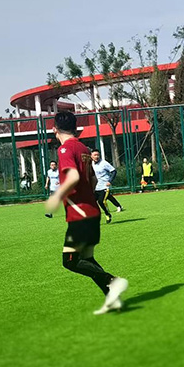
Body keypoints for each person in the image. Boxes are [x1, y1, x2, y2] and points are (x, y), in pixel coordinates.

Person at [45, 111, 128, 315]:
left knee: (70, 261)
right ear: (75, 128)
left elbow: (73, 177)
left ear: (55, 129)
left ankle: (112, 281)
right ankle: (113, 299)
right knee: (87, 259)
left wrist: (57, 197)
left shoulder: (65, 149)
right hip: (91, 210)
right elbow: (92, 179)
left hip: (79, 213)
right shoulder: (83, 148)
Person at [90, 149, 123, 223]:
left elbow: (114, 171)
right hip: (96, 187)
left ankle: (107, 214)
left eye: (98, 155)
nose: (97, 156)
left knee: (101, 201)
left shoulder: (104, 163)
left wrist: (109, 181)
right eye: (95, 155)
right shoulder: (91, 164)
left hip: (104, 187)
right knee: (91, 203)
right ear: (91, 156)